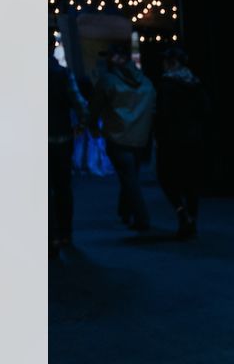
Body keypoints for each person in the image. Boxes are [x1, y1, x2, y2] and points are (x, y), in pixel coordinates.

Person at [90, 43, 156, 232]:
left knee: (129, 178)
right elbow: (152, 108)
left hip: (118, 137)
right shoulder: (145, 82)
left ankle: (142, 218)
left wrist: (92, 127)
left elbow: (94, 108)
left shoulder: (108, 81)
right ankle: (124, 211)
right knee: (130, 175)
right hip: (140, 138)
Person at [154, 46, 209, 238]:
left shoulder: (167, 85)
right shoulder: (195, 83)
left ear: (171, 63)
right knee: (191, 181)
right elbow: (205, 110)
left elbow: (163, 114)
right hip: (194, 139)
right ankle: (190, 217)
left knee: (168, 179)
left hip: (172, 141)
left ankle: (182, 213)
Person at [49, 50, 88, 256]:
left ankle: (48, 237)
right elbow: (81, 105)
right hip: (61, 137)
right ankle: (65, 233)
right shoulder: (63, 74)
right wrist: (80, 126)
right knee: (63, 187)